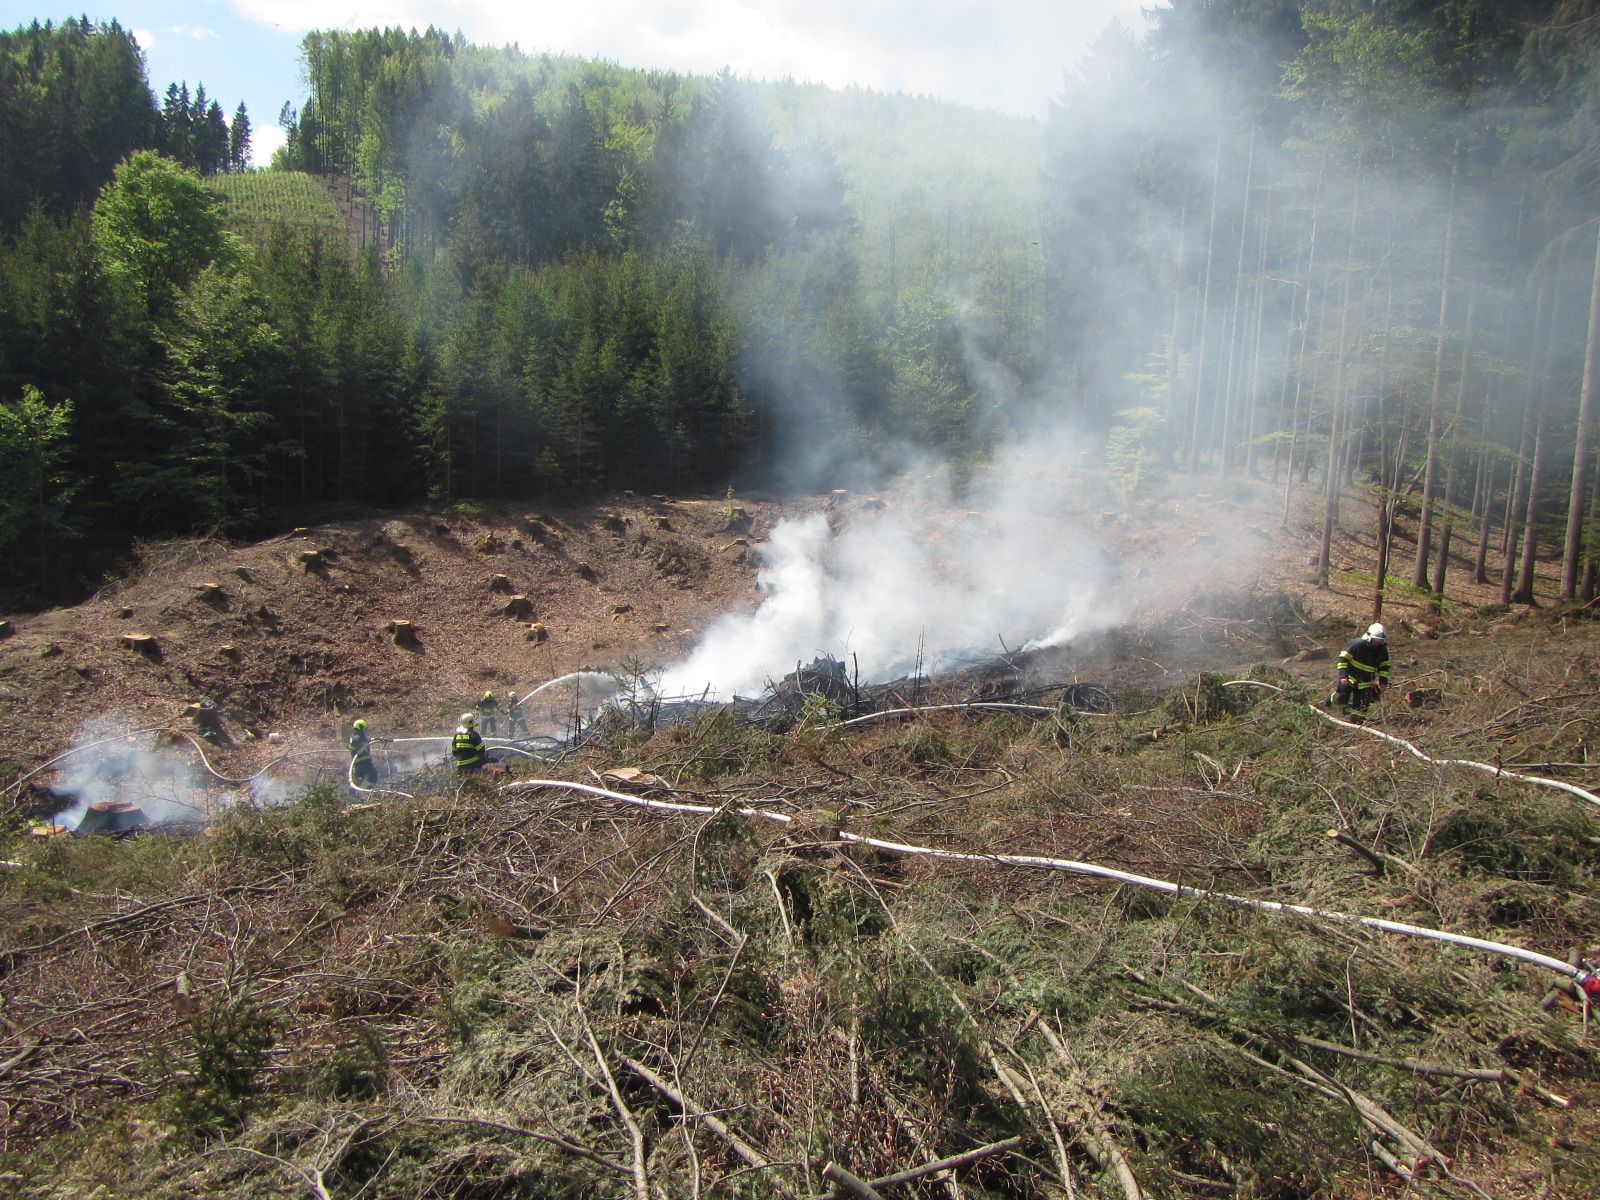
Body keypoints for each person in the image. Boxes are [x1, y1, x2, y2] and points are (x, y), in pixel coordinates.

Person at [1332, 622, 1390, 718]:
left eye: (1381, 640)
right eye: (1377, 639)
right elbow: (1343, 660)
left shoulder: (1382, 651)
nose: (1379, 642)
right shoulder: (1357, 645)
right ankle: (1331, 700)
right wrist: (1343, 676)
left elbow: (1384, 667)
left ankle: (1356, 720)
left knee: (1360, 711)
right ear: (1370, 637)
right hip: (1349, 678)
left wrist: (1383, 682)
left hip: (1365, 683)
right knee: (1340, 699)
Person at [348, 718, 378, 788]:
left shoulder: (358, 736)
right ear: (360, 727)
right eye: (364, 728)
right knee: (358, 781)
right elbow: (359, 750)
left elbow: (366, 740)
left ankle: (367, 791)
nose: (365, 730)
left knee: (372, 775)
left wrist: (376, 739)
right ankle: (354, 793)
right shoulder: (357, 738)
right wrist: (367, 744)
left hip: (364, 762)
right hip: (360, 763)